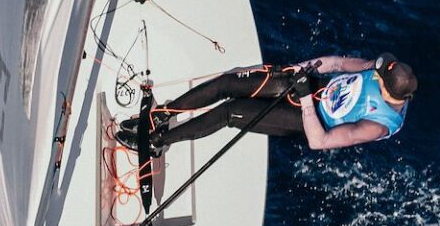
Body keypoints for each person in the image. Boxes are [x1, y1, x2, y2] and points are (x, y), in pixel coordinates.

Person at [116, 53, 417, 154]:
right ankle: (160, 115)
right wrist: (298, 70)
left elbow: (319, 141)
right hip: (305, 86)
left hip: (305, 117)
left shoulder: (378, 125)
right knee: (228, 82)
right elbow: (336, 61)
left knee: (230, 111)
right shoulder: (378, 70)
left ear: (389, 91)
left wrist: (304, 100)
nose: (373, 73)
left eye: (378, 76)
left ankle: (157, 141)